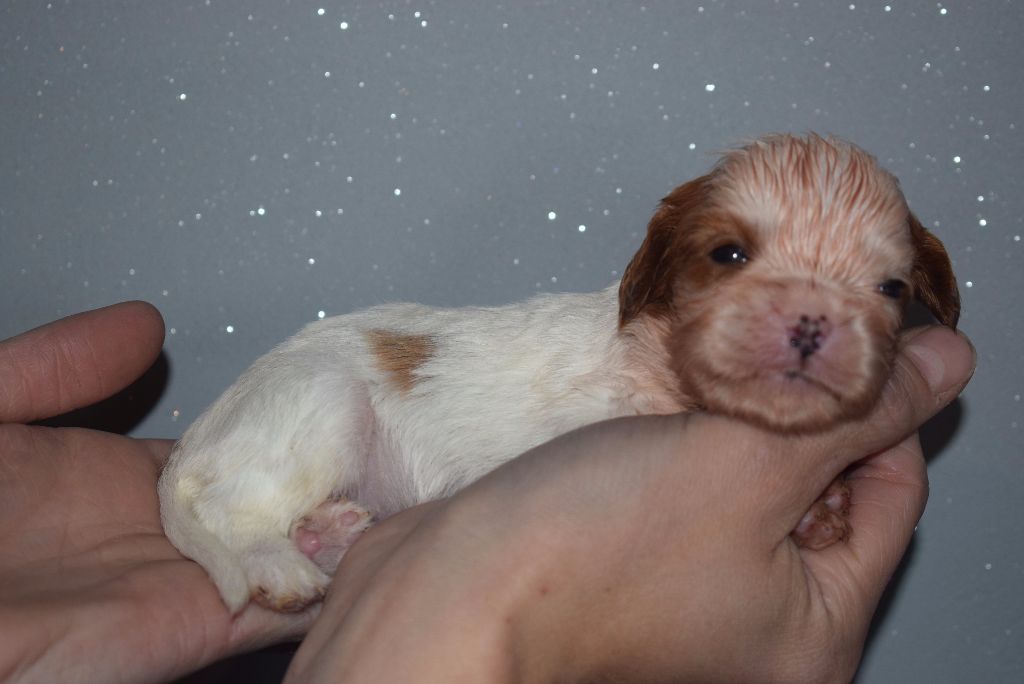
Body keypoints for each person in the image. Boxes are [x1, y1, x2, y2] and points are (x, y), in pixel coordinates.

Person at [0, 301, 974, 683]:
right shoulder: (609, 354)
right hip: (338, 399)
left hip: (385, 493)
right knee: (328, 404)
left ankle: (296, 528)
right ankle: (252, 523)